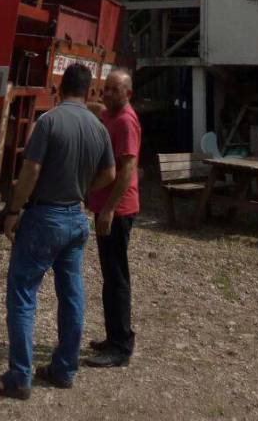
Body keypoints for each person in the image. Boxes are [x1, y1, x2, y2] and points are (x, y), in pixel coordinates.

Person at [0, 62, 115, 400]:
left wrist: (13, 210)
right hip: (75, 218)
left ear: (60, 89)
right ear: (88, 92)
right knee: (72, 296)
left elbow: (32, 169)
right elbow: (110, 174)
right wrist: (84, 191)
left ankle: (19, 377)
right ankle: (64, 370)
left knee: (24, 294)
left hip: (45, 217)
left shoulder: (50, 121)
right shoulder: (99, 128)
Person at [84, 67, 142, 369]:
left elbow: (127, 170)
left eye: (112, 90)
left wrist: (108, 210)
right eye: (104, 88)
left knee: (117, 277)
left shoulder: (125, 122)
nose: (105, 94)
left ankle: (120, 347)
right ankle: (115, 336)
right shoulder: (109, 113)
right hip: (105, 208)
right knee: (109, 276)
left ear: (128, 94)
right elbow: (96, 108)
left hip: (117, 211)